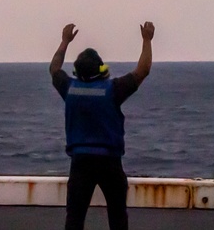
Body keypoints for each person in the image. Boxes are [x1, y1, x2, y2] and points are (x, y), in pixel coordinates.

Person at [49, 21, 155, 230]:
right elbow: (142, 70)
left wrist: (64, 42)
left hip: (80, 163)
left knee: (75, 219)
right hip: (109, 163)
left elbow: (54, 69)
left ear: (77, 70)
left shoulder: (69, 88)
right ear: (101, 67)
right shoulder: (113, 89)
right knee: (117, 217)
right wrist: (147, 40)